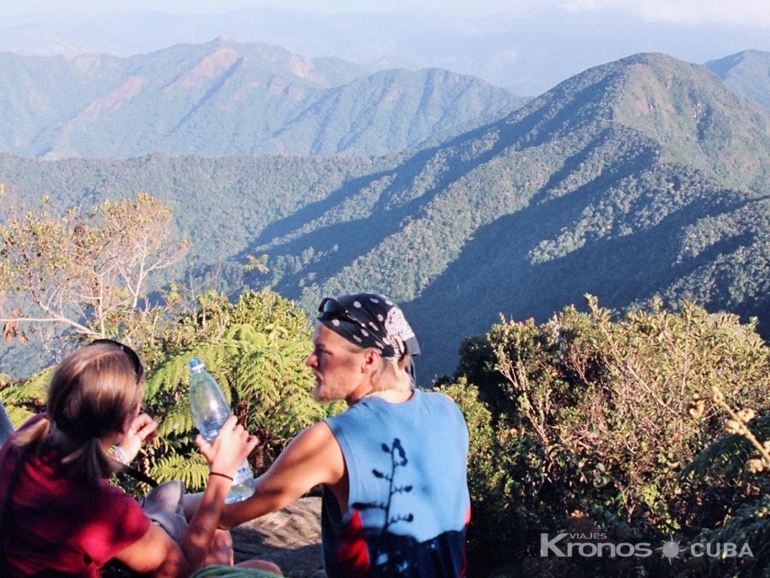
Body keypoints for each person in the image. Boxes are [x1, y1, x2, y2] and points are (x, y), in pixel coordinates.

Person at [218, 292, 471, 577]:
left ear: (369, 360)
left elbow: (229, 512)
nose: (310, 361)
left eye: (323, 352)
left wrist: (167, 505)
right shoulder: (449, 410)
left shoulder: (333, 440)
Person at [0, 339, 281, 578]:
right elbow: (179, 570)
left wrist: (122, 453)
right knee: (264, 569)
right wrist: (221, 474)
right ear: (124, 423)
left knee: (219, 540)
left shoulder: (31, 433)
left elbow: (72, 483)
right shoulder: (106, 508)